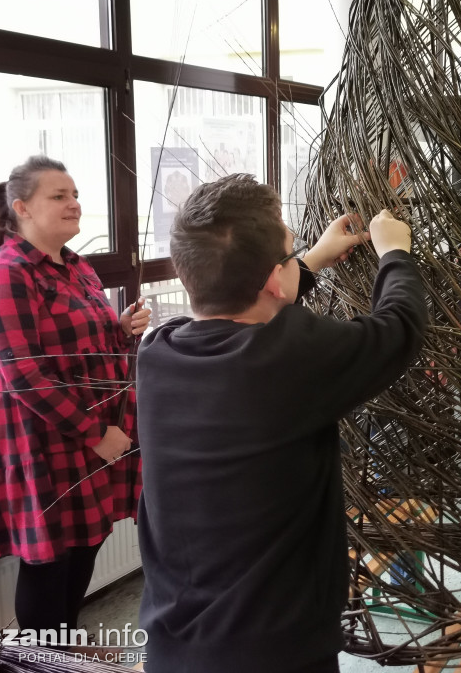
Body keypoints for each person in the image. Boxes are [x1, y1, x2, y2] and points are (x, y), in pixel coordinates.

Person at [136, 174, 428, 673]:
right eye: (291, 254)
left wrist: (308, 260)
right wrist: (394, 253)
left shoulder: (157, 351)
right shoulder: (289, 357)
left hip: (175, 644)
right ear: (274, 277)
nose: (297, 260)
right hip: (276, 653)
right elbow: (400, 328)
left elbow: (255, 305)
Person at [0, 155, 150, 641]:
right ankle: (40, 661)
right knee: (49, 560)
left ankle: (63, 652)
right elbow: (21, 373)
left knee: (84, 545)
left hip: (91, 435)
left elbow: (84, 347)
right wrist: (96, 434)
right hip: (43, 435)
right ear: (22, 208)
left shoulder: (76, 267)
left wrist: (120, 330)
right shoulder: (3, 274)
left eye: (75, 195)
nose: (74, 204)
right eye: (59, 196)